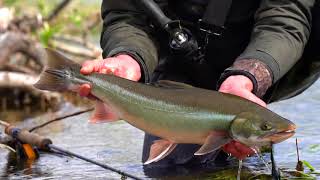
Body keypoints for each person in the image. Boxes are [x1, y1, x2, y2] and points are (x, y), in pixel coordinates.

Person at [78, 0, 315, 172]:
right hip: (174, 65)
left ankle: (252, 132)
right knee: (168, 170)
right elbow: (126, 16)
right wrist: (129, 57)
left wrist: (252, 73)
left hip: (258, 58)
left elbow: (284, 19)